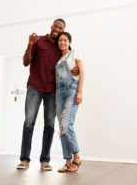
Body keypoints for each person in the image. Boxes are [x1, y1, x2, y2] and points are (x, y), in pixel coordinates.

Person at [17, 19, 78, 171]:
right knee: (29, 122)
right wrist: (30, 44)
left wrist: (74, 70)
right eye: (56, 26)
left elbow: (70, 62)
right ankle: (24, 160)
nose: (57, 29)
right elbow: (26, 62)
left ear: (63, 30)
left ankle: (45, 160)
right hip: (34, 87)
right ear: (52, 27)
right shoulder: (38, 41)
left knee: (49, 125)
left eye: (61, 28)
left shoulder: (62, 46)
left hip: (53, 91)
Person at [55, 32, 85, 173]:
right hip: (59, 94)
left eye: (65, 40)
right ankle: (67, 161)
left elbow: (82, 73)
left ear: (69, 41)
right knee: (62, 128)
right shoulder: (58, 60)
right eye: (60, 40)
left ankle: (76, 157)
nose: (62, 43)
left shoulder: (75, 53)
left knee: (66, 125)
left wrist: (79, 92)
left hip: (71, 91)